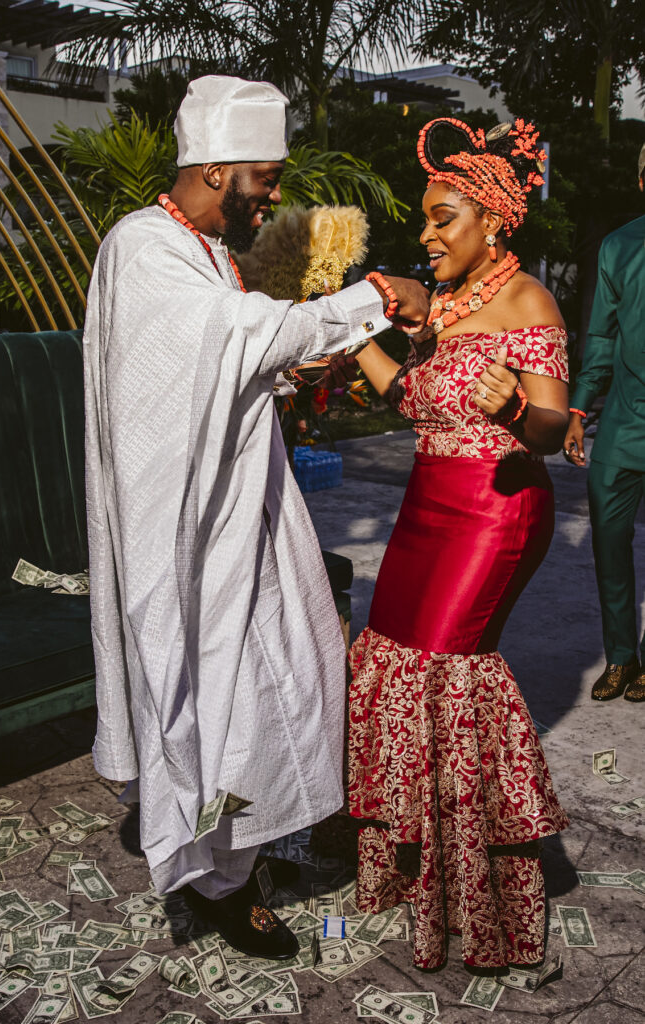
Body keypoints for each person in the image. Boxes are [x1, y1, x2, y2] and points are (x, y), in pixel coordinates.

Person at [83, 73, 428, 961]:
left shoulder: (201, 250)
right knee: (216, 702)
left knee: (291, 671)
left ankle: (245, 842)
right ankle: (220, 882)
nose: (273, 196)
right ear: (215, 167)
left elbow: (226, 365)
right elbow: (237, 337)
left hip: (242, 510)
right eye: (264, 178)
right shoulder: (142, 246)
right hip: (184, 530)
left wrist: (299, 369)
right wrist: (374, 301)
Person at [346, 116, 570, 970]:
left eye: (444, 217)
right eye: (426, 218)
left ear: (492, 220)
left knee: (445, 670)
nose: (427, 231)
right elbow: (405, 397)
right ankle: (411, 864)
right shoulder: (442, 303)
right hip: (422, 507)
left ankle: (482, 899)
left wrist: (514, 406)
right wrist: (349, 339)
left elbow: (548, 429)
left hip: (494, 510)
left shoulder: (529, 302)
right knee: (392, 660)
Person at [563, 144, 645, 703]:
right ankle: (621, 657)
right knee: (609, 542)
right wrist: (579, 407)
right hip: (623, 423)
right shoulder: (620, 246)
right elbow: (601, 336)